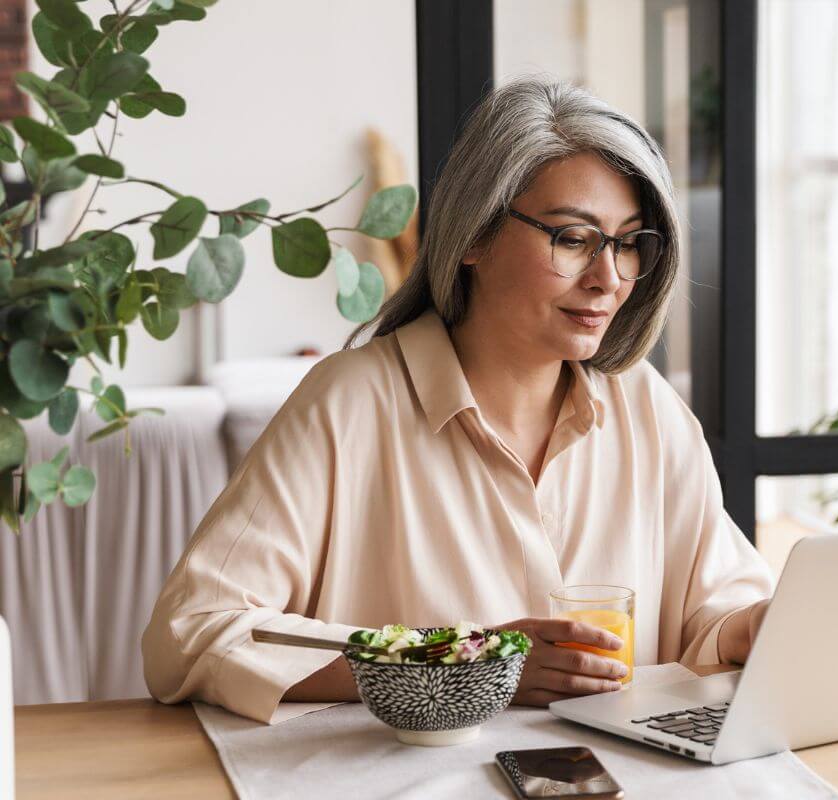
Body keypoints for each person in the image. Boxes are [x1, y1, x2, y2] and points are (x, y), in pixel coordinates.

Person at [141, 76, 773, 724]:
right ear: (475, 235)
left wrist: (753, 628)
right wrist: (461, 665)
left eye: (627, 242)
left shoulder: (648, 410)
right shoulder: (349, 404)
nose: (608, 278)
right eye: (574, 238)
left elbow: (714, 615)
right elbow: (192, 633)